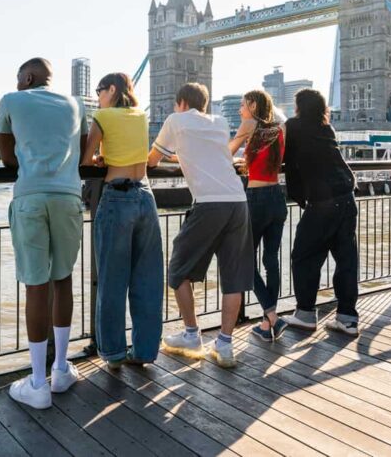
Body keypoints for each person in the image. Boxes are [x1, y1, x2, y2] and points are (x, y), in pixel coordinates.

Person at [0, 58, 87, 409]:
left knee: (36, 285)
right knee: (62, 279)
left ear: (29, 77)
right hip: (68, 196)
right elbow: (79, 150)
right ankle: (62, 369)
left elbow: (7, 158)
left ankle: (37, 382)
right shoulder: (76, 104)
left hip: (32, 195)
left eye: (19, 77)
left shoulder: (11, 100)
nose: (17, 82)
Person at [148, 82, 254, 368]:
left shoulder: (175, 120)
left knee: (178, 268)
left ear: (181, 102)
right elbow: (210, 154)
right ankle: (225, 344)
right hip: (237, 201)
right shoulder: (219, 122)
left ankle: (192, 334)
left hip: (209, 203)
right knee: (233, 274)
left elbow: (152, 159)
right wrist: (180, 155)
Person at [81, 73, 163, 369]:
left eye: (100, 90)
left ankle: (114, 354)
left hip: (116, 197)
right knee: (148, 280)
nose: (98, 95)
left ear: (112, 89)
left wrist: (100, 160)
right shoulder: (140, 115)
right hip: (145, 196)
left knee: (112, 282)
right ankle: (143, 351)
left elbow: (86, 159)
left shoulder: (102, 115)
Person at [281, 89, 360, 336]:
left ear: (299, 106)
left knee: (304, 256)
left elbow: (278, 155)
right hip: (347, 197)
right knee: (346, 259)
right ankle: (347, 319)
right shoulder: (328, 129)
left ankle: (305, 314)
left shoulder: (292, 127)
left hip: (323, 202)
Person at [228, 90, 289, 342]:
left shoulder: (249, 124)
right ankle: (267, 325)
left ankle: (272, 315)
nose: (240, 109)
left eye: (242, 104)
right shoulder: (280, 128)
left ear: (253, 104)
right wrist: (249, 161)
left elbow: (226, 152)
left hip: (257, 200)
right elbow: (269, 159)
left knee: (244, 260)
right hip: (277, 197)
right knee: (271, 260)